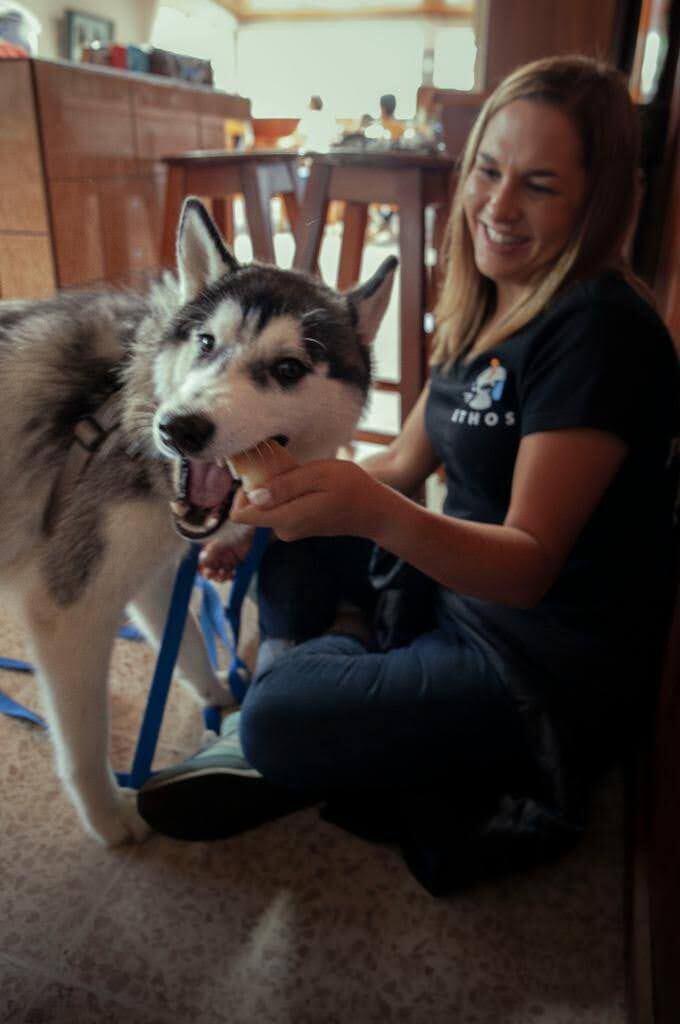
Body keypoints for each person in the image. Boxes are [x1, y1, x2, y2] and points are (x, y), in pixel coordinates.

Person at [138, 55, 679, 896]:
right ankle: (327, 680)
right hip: (448, 588)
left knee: (278, 715)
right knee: (292, 532)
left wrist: (370, 512)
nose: (498, 206)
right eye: (488, 171)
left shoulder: (599, 332)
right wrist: (257, 515)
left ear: (596, 199)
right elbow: (401, 463)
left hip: (529, 661)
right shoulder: (495, 302)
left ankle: (291, 712)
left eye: (539, 185)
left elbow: (529, 565)